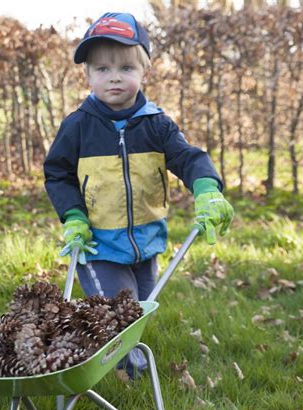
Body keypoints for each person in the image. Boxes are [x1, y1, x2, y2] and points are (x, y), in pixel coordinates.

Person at [43, 12, 234, 379]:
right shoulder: (78, 126)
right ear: (87, 75)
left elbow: (188, 157)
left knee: (139, 312)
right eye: (102, 69)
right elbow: (58, 174)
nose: (114, 76)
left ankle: (122, 364)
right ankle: (126, 376)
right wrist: (74, 217)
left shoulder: (156, 124)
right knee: (119, 314)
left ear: (144, 70)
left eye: (126, 67)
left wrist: (207, 188)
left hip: (146, 244)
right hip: (97, 245)